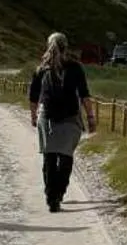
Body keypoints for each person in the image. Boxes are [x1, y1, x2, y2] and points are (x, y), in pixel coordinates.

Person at [29, 32, 97, 212]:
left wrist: (33, 116)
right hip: (70, 118)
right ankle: (59, 192)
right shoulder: (75, 67)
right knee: (66, 157)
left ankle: (52, 198)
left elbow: (33, 97)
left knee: (49, 158)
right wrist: (91, 118)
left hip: (47, 117)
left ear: (48, 46)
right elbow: (84, 94)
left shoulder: (41, 69)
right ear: (66, 47)